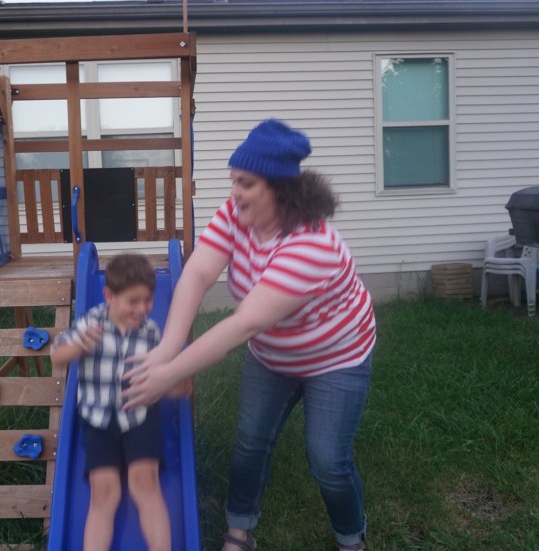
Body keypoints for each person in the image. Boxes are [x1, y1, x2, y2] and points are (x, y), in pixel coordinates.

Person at [122, 119, 377, 551]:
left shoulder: (311, 246)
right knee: (251, 441)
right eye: (234, 180)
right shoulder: (237, 214)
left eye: (246, 183)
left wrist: (169, 374)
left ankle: (351, 539)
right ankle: (239, 532)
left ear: (280, 188)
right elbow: (197, 274)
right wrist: (167, 347)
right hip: (273, 354)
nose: (235, 191)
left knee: (328, 460)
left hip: (336, 357)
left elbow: (243, 324)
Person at [50, 253, 171, 551]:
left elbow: (168, 374)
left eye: (148, 300)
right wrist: (78, 346)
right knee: (103, 491)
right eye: (133, 301)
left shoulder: (151, 333)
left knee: (146, 483)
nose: (142, 308)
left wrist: (174, 383)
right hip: (99, 419)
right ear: (109, 296)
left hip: (140, 416)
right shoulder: (90, 322)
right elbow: (57, 356)